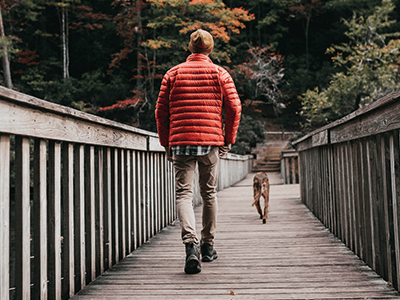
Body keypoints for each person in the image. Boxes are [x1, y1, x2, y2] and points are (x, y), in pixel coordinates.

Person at [155, 29, 241, 274]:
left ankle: (190, 245)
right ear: (210, 49)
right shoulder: (219, 73)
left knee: (184, 194)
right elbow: (235, 107)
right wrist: (228, 139)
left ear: (190, 48)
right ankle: (208, 246)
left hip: (180, 142)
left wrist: (166, 143)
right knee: (209, 193)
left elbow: (160, 111)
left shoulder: (173, 73)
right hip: (210, 142)